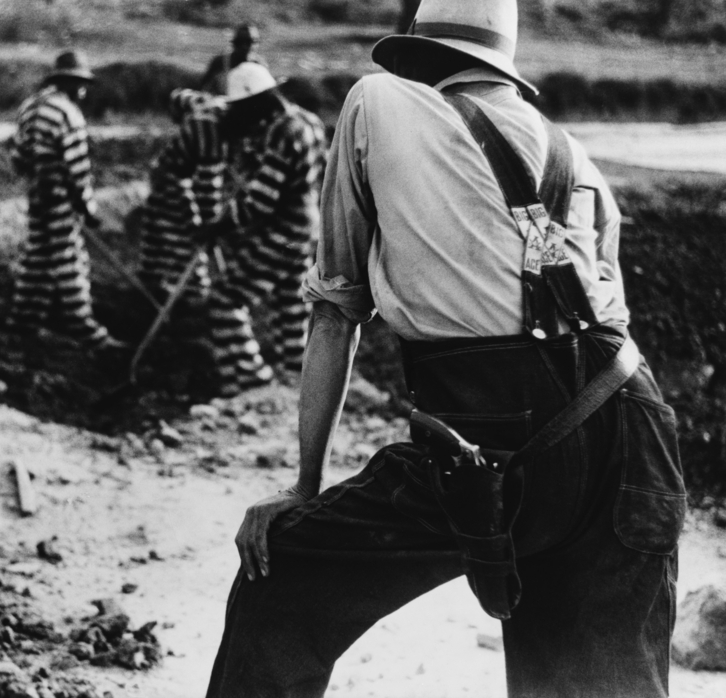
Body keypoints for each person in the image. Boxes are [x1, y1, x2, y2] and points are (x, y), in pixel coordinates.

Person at [205, 1, 686, 697]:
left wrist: (303, 490)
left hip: (494, 427)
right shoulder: (575, 156)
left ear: (418, 57)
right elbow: (598, 318)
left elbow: (337, 316)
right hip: (634, 430)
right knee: (588, 681)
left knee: (281, 580)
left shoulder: (376, 103)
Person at [201, 62, 328, 397]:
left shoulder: (283, 131)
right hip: (306, 231)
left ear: (258, 101)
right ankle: (296, 386)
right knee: (290, 308)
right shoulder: (309, 121)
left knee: (224, 301)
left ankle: (254, 383)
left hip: (282, 233)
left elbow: (262, 199)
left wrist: (220, 224)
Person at [2, 50, 123, 353]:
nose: (83, 91)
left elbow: (18, 158)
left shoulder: (29, 107)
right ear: (70, 82)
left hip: (36, 194)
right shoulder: (68, 114)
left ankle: (22, 320)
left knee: (38, 258)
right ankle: (84, 326)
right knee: (70, 259)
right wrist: (88, 208)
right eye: (81, 84)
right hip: (58, 196)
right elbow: (77, 170)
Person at [137, 88, 226, 306]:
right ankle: (184, 295)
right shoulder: (205, 125)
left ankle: (163, 286)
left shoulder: (207, 120)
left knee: (168, 235)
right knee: (180, 238)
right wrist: (208, 220)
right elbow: (204, 183)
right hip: (171, 184)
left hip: (171, 182)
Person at [199, 25, 268, 96]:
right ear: (233, 44)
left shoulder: (260, 64)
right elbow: (203, 89)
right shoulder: (220, 62)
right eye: (240, 42)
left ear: (257, 43)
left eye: (250, 42)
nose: (245, 47)